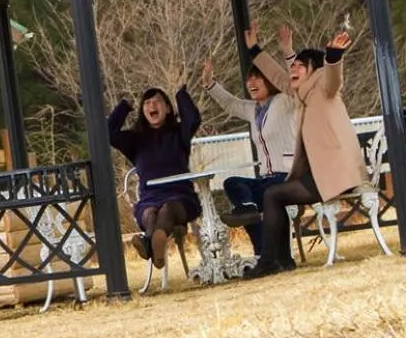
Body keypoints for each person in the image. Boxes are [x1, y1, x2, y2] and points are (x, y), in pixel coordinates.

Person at [243, 27, 365, 278]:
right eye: (293, 65)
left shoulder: (323, 87)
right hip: (318, 176)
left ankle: (270, 261)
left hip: (334, 176)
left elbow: (334, 78)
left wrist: (332, 56)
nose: (293, 70)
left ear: (314, 70)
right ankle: (281, 260)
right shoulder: (302, 94)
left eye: (300, 66)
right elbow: (277, 77)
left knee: (273, 194)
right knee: (274, 195)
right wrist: (255, 50)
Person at [202, 22, 299, 256]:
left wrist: (288, 51)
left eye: (258, 79)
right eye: (249, 80)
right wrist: (209, 84)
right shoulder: (252, 109)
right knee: (234, 185)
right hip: (267, 178)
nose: (252, 83)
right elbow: (230, 103)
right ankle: (258, 242)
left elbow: (295, 84)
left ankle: (264, 252)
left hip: (288, 175)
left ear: (271, 81)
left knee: (260, 197)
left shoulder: (286, 101)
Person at [108, 85, 203, 269]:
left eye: (157, 101)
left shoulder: (179, 133)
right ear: (143, 110)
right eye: (147, 102)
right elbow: (109, 134)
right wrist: (125, 105)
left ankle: (149, 242)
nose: (152, 105)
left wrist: (180, 93)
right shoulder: (136, 139)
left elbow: (193, 120)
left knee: (167, 208)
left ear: (167, 108)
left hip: (181, 198)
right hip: (150, 198)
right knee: (150, 213)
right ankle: (155, 242)